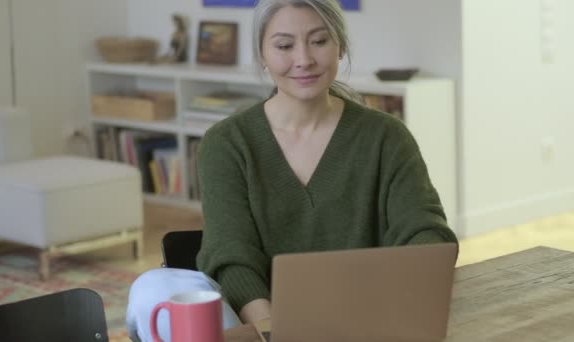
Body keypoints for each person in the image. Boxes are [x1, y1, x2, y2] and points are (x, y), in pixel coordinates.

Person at [126, 0, 458, 340]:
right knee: (152, 289)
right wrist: (277, 331)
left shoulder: (386, 137)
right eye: (284, 45)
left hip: (368, 321)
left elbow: (424, 230)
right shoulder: (226, 144)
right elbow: (231, 253)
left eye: (319, 41)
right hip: (266, 325)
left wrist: (402, 301)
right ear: (262, 56)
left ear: (340, 45)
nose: (304, 60)